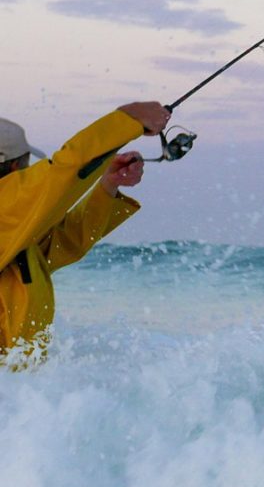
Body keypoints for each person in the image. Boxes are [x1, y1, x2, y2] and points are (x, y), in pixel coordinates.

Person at [0, 101, 170, 358]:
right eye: (26, 166)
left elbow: (66, 243)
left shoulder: (11, 233)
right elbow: (63, 171)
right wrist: (127, 120)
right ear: (14, 168)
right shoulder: (5, 208)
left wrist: (107, 187)